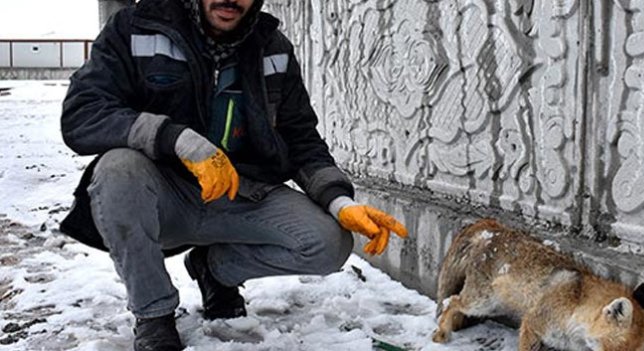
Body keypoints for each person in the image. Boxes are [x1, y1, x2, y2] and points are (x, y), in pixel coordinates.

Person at [59, 0, 408, 350]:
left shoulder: (273, 47)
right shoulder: (137, 26)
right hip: (163, 193)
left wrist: (339, 201)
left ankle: (215, 270)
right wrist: (176, 139)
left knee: (330, 243)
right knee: (117, 168)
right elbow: (84, 113)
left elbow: (300, 137)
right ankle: (154, 314)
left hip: (243, 193)